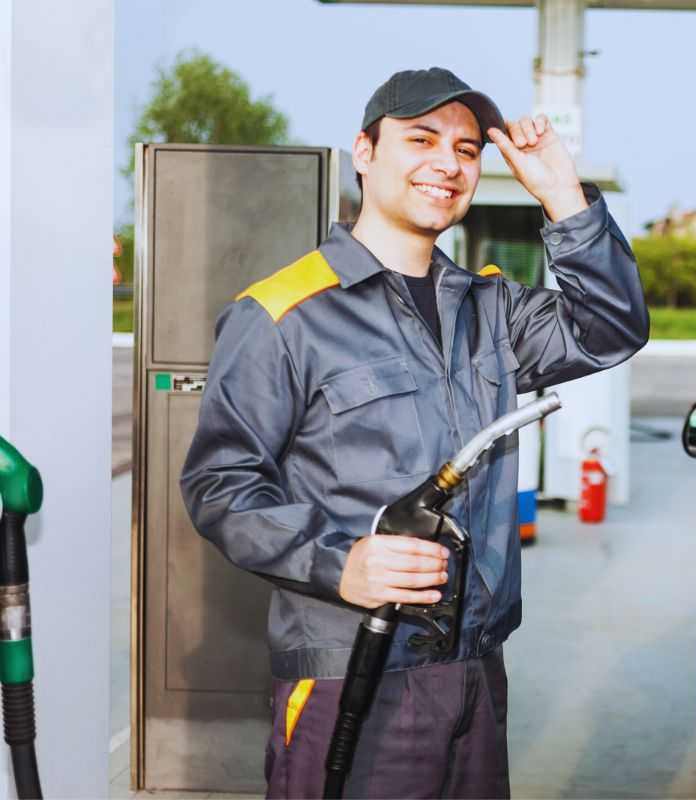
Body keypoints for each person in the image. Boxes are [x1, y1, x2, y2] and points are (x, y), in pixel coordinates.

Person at [179, 67, 649, 799]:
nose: (448, 163)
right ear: (364, 151)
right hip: (351, 669)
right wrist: (341, 564)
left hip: (473, 670)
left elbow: (611, 328)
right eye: (422, 139)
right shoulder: (282, 314)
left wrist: (562, 193)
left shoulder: (491, 309)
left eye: (467, 150)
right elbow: (219, 485)